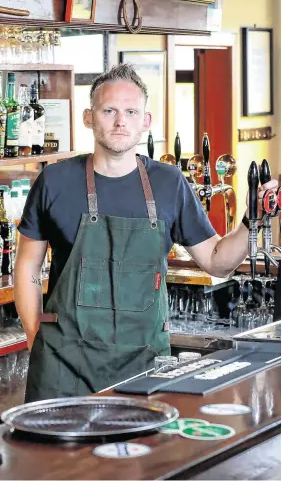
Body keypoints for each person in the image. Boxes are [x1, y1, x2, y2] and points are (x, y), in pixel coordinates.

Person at [14, 64, 278, 402]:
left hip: (142, 367)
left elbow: (218, 262)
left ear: (146, 120)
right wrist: (38, 337)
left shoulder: (169, 184)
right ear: (89, 117)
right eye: (108, 110)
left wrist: (250, 219)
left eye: (130, 111)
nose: (120, 121)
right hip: (63, 368)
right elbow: (28, 267)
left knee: (139, 455)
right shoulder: (55, 181)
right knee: (51, 456)